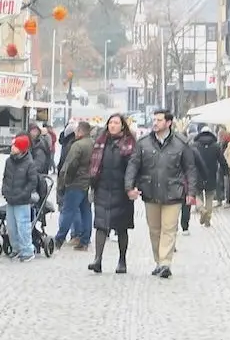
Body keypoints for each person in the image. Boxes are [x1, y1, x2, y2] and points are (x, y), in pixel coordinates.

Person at [126, 108, 199, 280]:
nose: (155, 123)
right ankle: (158, 261)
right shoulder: (144, 143)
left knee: (169, 228)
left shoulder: (181, 143)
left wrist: (191, 192)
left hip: (173, 192)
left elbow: (190, 169)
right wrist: (130, 187)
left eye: (159, 120)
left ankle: (165, 263)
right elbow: (133, 165)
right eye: (154, 120)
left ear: (168, 123)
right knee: (155, 230)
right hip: (150, 191)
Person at [88, 114, 136, 274]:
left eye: (116, 123)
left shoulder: (129, 144)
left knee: (122, 228)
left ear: (122, 126)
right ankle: (98, 259)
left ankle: (122, 261)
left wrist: (131, 187)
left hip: (122, 191)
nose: (112, 125)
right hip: (102, 188)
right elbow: (94, 164)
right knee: (100, 225)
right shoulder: (101, 141)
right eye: (110, 122)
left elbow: (134, 167)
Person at [56, 120, 95, 251]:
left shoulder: (77, 145)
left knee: (68, 211)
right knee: (86, 212)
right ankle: (85, 240)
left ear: (80, 131)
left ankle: (59, 239)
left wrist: (65, 181)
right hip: (87, 182)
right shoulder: (93, 143)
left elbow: (70, 164)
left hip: (75, 182)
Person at [1, 135, 41, 261]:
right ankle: (16, 248)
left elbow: (32, 182)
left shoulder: (29, 163)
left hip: (22, 200)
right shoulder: (9, 161)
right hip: (10, 199)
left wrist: (24, 194)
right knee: (11, 227)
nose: (12, 147)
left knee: (23, 226)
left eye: (15, 145)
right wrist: (5, 191)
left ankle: (27, 250)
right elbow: (5, 178)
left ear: (22, 148)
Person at [192, 127, 224, 227]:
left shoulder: (194, 145)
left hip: (198, 174)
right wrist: (226, 171)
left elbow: (189, 160)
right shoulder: (216, 146)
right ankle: (207, 220)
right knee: (209, 197)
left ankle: (201, 209)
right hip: (211, 175)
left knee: (196, 195)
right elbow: (222, 160)